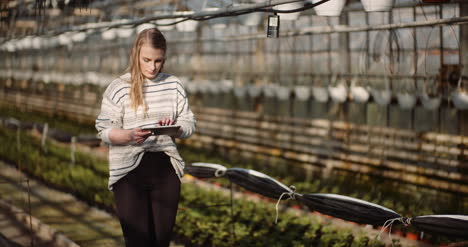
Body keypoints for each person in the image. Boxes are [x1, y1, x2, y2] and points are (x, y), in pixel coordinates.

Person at [95, 27, 196, 247]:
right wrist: (128, 136)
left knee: (161, 241)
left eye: (158, 61)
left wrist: (176, 129)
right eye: (147, 59)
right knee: (138, 241)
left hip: (165, 170)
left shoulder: (173, 85)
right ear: (136, 55)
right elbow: (103, 129)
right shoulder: (119, 87)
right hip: (128, 172)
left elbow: (189, 123)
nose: (152, 67)